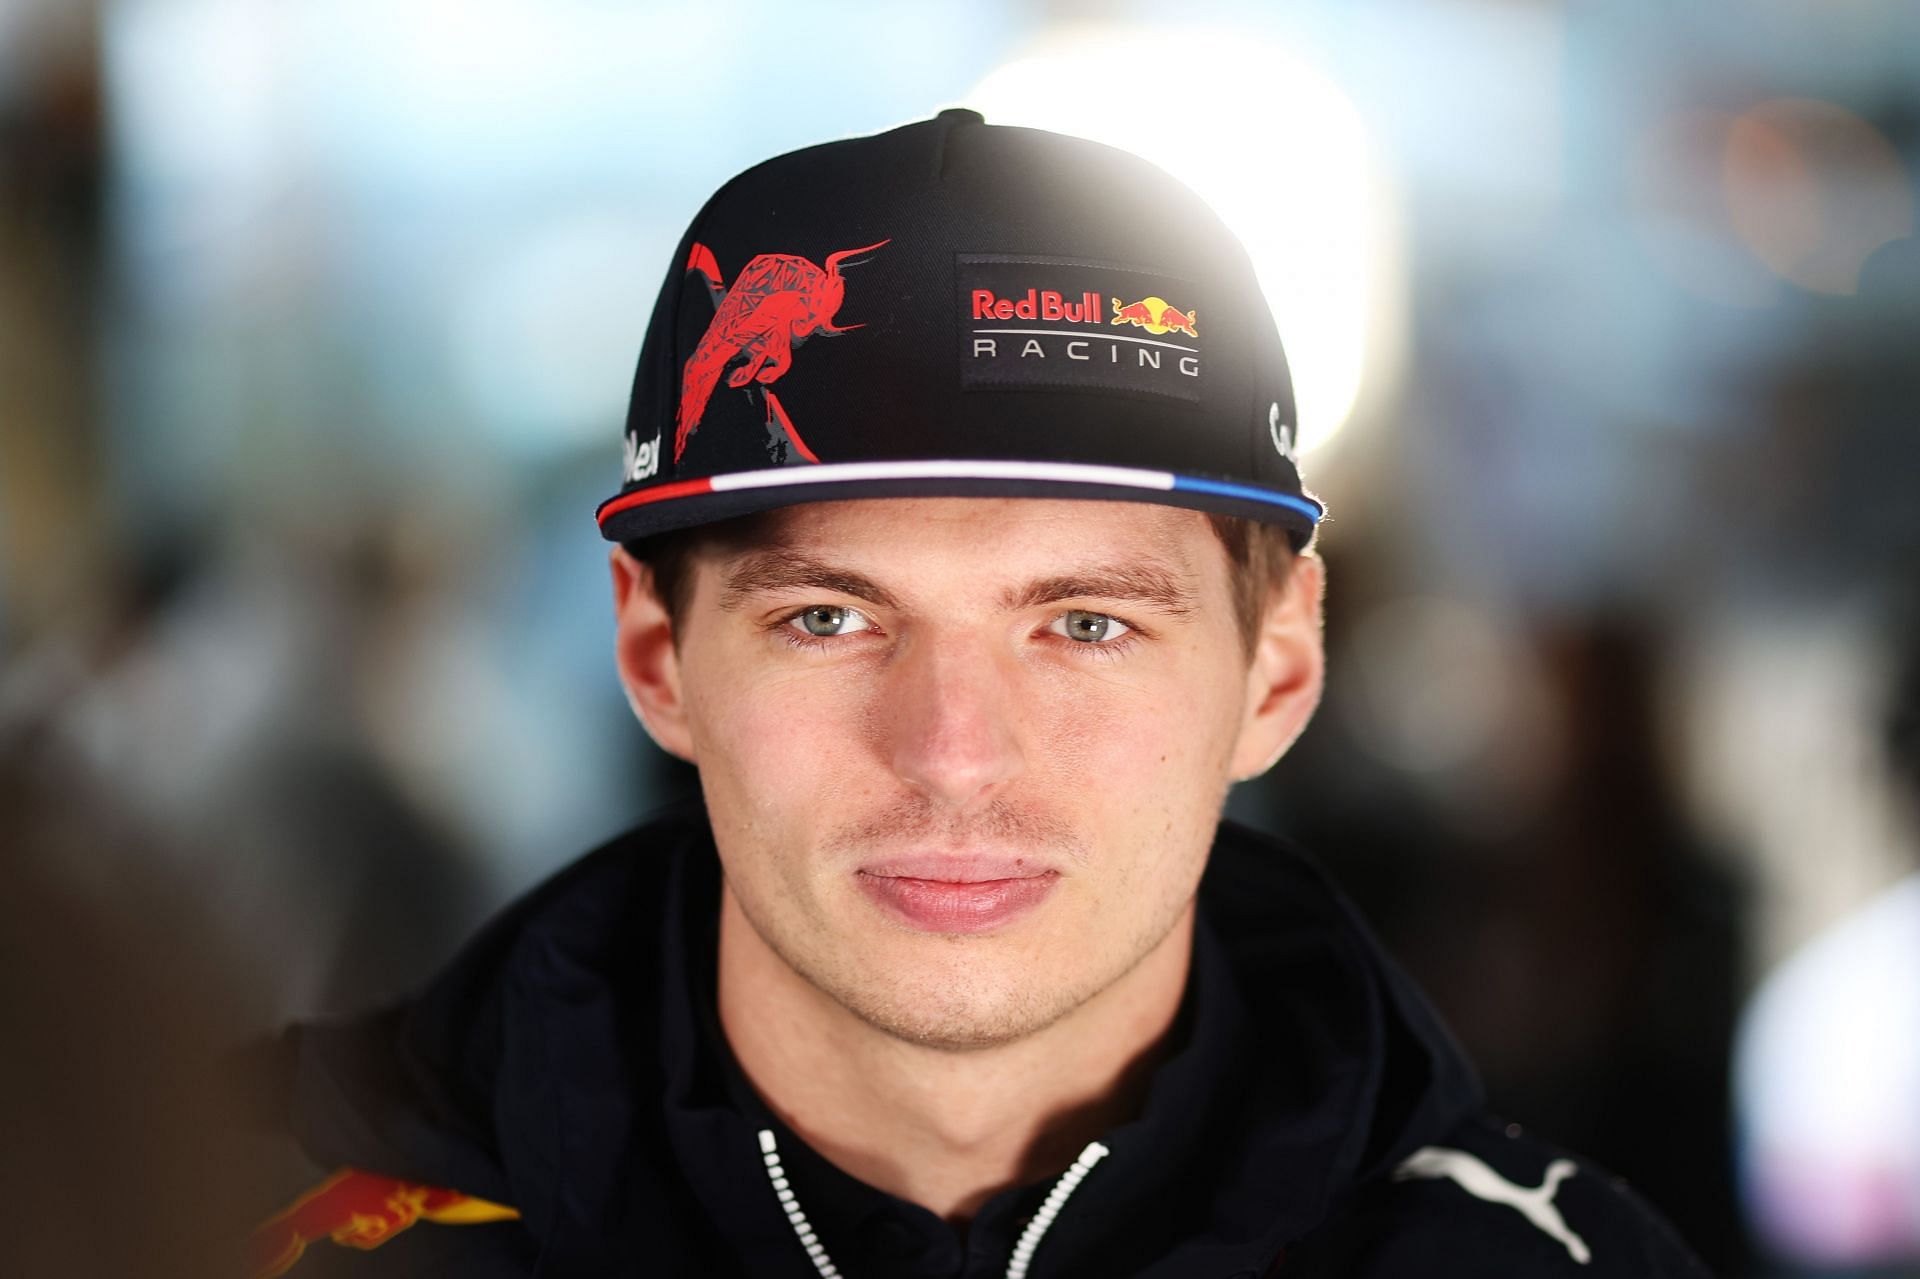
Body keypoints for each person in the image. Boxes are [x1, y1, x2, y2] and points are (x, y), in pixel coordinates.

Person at [250, 110, 1708, 1277]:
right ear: (655, 653)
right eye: (829, 617)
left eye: (1082, 624)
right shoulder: (213, 1223)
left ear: (1279, 664)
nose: (952, 755)